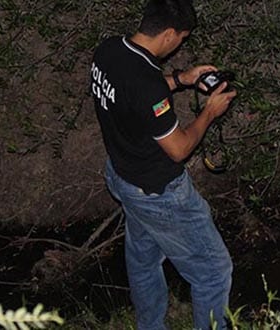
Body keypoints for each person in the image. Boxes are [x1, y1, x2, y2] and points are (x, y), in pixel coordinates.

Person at [90, 0, 237, 329]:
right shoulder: (146, 81)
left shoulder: (109, 50)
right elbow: (179, 148)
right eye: (182, 38)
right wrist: (209, 112)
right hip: (159, 193)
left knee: (144, 261)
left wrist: (182, 79)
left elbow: (134, 97)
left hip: (123, 176)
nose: (180, 43)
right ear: (170, 34)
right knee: (213, 273)